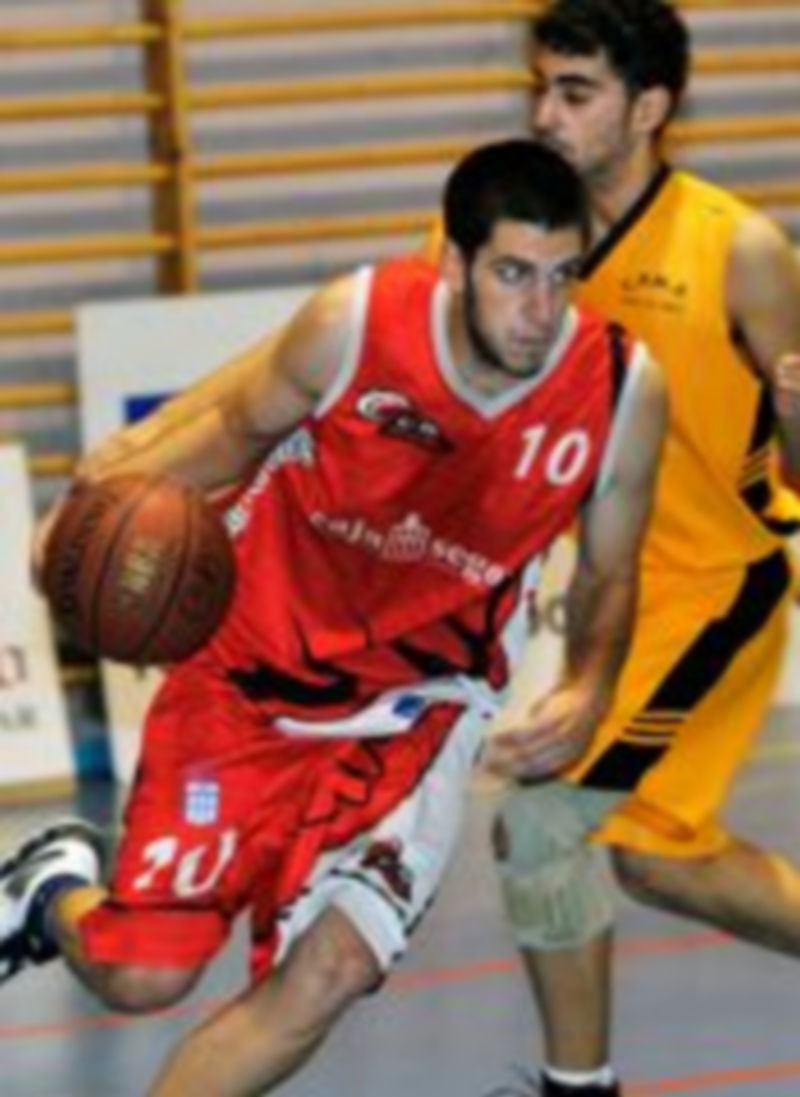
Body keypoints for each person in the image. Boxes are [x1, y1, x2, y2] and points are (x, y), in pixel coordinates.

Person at [0, 139, 666, 1097]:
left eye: (562, 278)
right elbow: (231, 426)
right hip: (246, 671)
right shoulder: (357, 325)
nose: (540, 310)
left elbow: (609, 575)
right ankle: (53, 886)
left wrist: (591, 685)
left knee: (335, 965)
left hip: (419, 707)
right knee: (140, 974)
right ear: (454, 264)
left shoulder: (615, 390)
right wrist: (87, 507)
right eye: (514, 274)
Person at [483, 4, 800, 1096]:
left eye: (573, 92)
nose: (542, 113)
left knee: (539, 821)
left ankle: (580, 1089)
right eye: (540, 87)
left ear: (649, 107)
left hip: (720, 588)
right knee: (659, 855)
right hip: (609, 590)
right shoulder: (521, 236)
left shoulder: (739, 250)